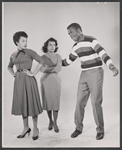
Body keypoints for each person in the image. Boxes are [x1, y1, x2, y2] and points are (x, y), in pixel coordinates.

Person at [62, 23, 119, 140]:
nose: (70, 35)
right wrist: (55, 61)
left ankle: (100, 130)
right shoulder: (75, 46)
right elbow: (68, 61)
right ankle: (78, 128)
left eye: (71, 32)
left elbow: (102, 53)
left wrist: (111, 66)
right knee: (79, 102)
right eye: (68, 34)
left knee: (95, 102)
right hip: (84, 74)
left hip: (96, 72)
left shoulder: (91, 40)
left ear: (79, 30)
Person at [8, 31, 53, 140]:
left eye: (26, 40)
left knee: (31, 103)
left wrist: (33, 73)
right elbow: (9, 67)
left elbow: (42, 61)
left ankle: (35, 128)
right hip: (18, 81)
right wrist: (14, 74)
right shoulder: (13, 55)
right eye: (23, 41)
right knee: (23, 103)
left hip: (29, 80)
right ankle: (25, 128)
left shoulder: (29, 52)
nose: (25, 42)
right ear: (16, 42)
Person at [24, 37, 62, 133]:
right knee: (48, 103)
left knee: (55, 103)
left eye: (54, 45)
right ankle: (50, 121)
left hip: (55, 81)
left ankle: (56, 122)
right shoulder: (42, 57)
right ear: (46, 46)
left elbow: (58, 69)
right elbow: (42, 69)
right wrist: (51, 68)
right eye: (50, 44)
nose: (52, 47)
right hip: (45, 81)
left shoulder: (58, 56)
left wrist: (49, 68)